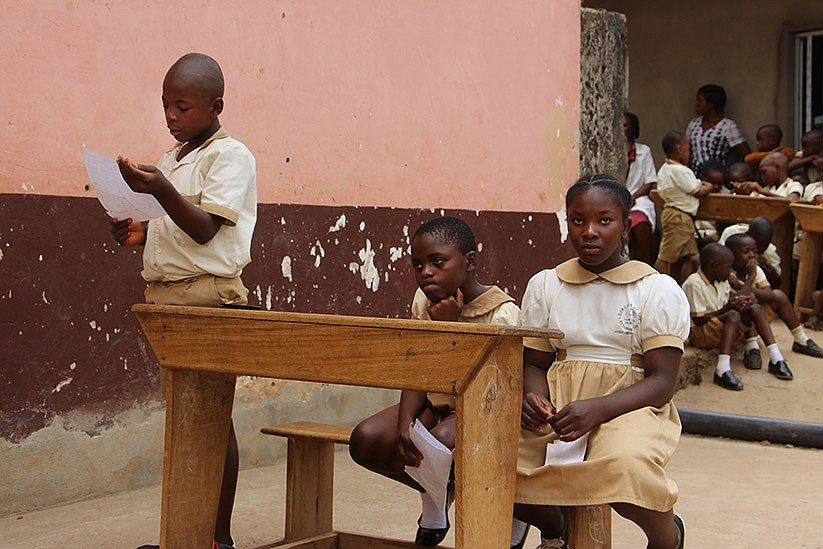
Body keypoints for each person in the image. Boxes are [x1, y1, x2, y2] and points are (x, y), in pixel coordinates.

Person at [111, 53, 257, 549]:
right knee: (187, 418)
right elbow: (172, 227)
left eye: (183, 107)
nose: (171, 117)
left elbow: (205, 229)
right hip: (169, 299)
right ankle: (186, 538)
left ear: (215, 106)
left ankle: (219, 539)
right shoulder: (172, 159)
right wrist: (137, 230)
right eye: (166, 106)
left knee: (214, 417)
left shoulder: (230, 156)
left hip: (210, 298)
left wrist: (162, 192)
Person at [515, 174, 686, 549]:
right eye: (578, 220)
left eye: (604, 221)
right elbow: (535, 364)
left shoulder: (653, 289)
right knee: (494, 456)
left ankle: (667, 536)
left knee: (624, 464)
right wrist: (535, 397)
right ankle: (555, 530)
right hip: (561, 403)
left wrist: (600, 408)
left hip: (631, 403)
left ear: (625, 226)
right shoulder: (546, 285)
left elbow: (662, 382)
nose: (589, 232)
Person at [348, 216, 519, 548]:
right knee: (367, 439)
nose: (425, 272)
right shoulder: (423, 302)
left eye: (436, 261)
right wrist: (405, 422)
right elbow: (418, 367)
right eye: (417, 264)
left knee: (435, 444)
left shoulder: (501, 313)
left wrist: (451, 328)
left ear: (469, 262)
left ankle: (444, 500)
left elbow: (489, 390)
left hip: (481, 409)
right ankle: (437, 491)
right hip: (436, 403)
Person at [726, 234, 823, 379]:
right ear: (731, 255)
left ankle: (800, 339)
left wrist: (745, 281)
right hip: (734, 325)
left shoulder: (754, 270)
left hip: (755, 320)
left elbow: (769, 294)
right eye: (746, 252)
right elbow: (741, 300)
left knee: (778, 295)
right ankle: (752, 347)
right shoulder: (725, 273)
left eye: (755, 251)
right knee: (750, 302)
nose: (752, 256)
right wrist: (748, 282)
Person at [682, 244, 766, 390]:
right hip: (698, 333)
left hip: (714, 325)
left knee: (754, 308)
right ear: (716, 267)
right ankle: (722, 369)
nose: (732, 271)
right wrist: (729, 307)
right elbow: (699, 319)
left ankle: (776, 357)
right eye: (729, 267)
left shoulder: (722, 281)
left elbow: (731, 300)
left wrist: (739, 302)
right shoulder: (694, 283)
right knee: (733, 315)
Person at [654, 131, 713, 279]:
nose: (689, 153)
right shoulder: (680, 170)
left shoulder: (665, 169)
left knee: (692, 256)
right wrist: (710, 187)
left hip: (680, 216)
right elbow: (697, 191)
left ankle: (686, 285)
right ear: (679, 149)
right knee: (665, 256)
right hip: (679, 217)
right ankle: (657, 285)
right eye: (688, 149)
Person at [686, 84, 750, 173]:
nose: (696, 105)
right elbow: (687, 150)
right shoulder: (694, 124)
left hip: (716, 176)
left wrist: (730, 170)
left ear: (711, 104)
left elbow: (744, 153)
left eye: (700, 101)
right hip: (695, 176)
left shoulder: (727, 126)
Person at [623, 111, 658, 265]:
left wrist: (632, 198)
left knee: (641, 225)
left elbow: (649, 182)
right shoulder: (609, 151)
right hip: (617, 199)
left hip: (638, 199)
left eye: (625, 125)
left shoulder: (644, 151)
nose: (622, 129)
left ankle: (645, 266)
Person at [734, 152, 802, 200]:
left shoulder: (794, 185)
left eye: (764, 172)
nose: (762, 177)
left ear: (777, 168)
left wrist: (763, 192)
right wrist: (743, 193)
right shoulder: (767, 188)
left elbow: (793, 202)